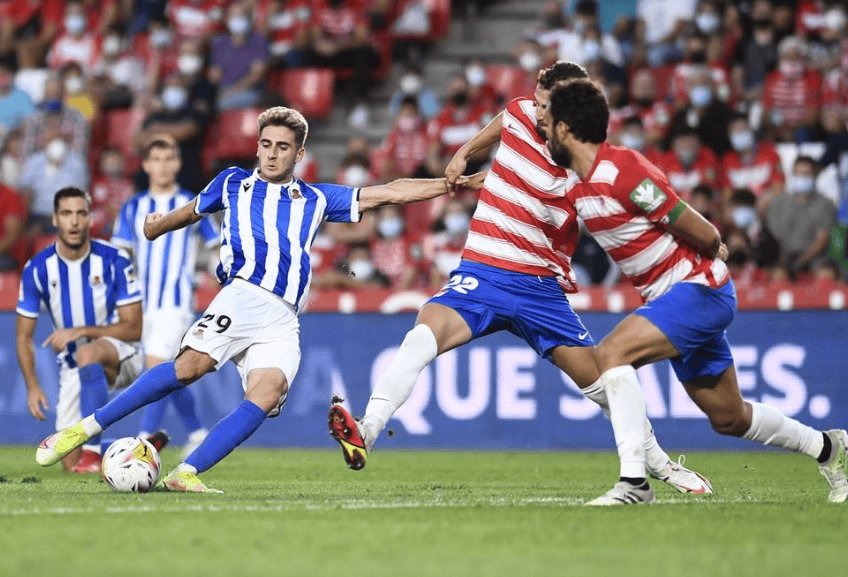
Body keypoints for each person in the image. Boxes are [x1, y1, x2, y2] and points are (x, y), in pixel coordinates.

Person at [35, 106, 484, 492]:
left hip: (284, 317)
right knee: (189, 367)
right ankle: (83, 429)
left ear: (299, 155)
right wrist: (155, 226)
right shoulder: (233, 182)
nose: (271, 153)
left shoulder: (315, 198)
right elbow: (188, 213)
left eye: (282, 147)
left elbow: (389, 191)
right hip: (243, 295)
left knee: (267, 393)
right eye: (266, 144)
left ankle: (186, 473)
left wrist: (452, 185)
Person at [327, 62, 713, 497]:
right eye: (538, 102)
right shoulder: (522, 111)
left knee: (603, 384)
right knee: (421, 336)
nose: (537, 112)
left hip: (539, 287)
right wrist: (466, 151)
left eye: (547, 107)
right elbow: (505, 118)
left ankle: (659, 464)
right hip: (483, 272)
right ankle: (368, 430)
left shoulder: (586, 168)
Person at [542, 77, 847, 505]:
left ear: (565, 128)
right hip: (673, 300)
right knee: (730, 418)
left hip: (699, 290)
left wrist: (711, 248)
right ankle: (830, 448)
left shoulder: (624, 170)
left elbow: (703, 231)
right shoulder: (577, 184)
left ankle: (634, 483)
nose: (543, 130)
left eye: (548, 122)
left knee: (611, 354)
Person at [17, 187, 144, 473]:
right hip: (73, 368)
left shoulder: (115, 259)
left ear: (89, 218)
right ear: (55, 219)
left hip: (121, 354)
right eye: (66, 214)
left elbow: (133, 329)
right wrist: (33, 386)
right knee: (70, 465)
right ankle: (133, 450)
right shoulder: (37, 269)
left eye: (80, 213)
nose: (74, 221)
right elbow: (23, 337)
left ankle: (92, 452)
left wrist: (80, 331)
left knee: (87, 351)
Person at [112, 135, 219, 458]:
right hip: (141, 306)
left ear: (178, 163)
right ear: (146, 165)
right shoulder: (133, 207)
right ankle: (197, 432)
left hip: (176, 303)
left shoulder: (193, 204)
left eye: (168, 158)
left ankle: (142, 443)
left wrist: (223, 278)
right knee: (167, 375)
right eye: (156, 159)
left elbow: (217, 248)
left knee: (154, 367)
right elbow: (120, 256)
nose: (162, 165)